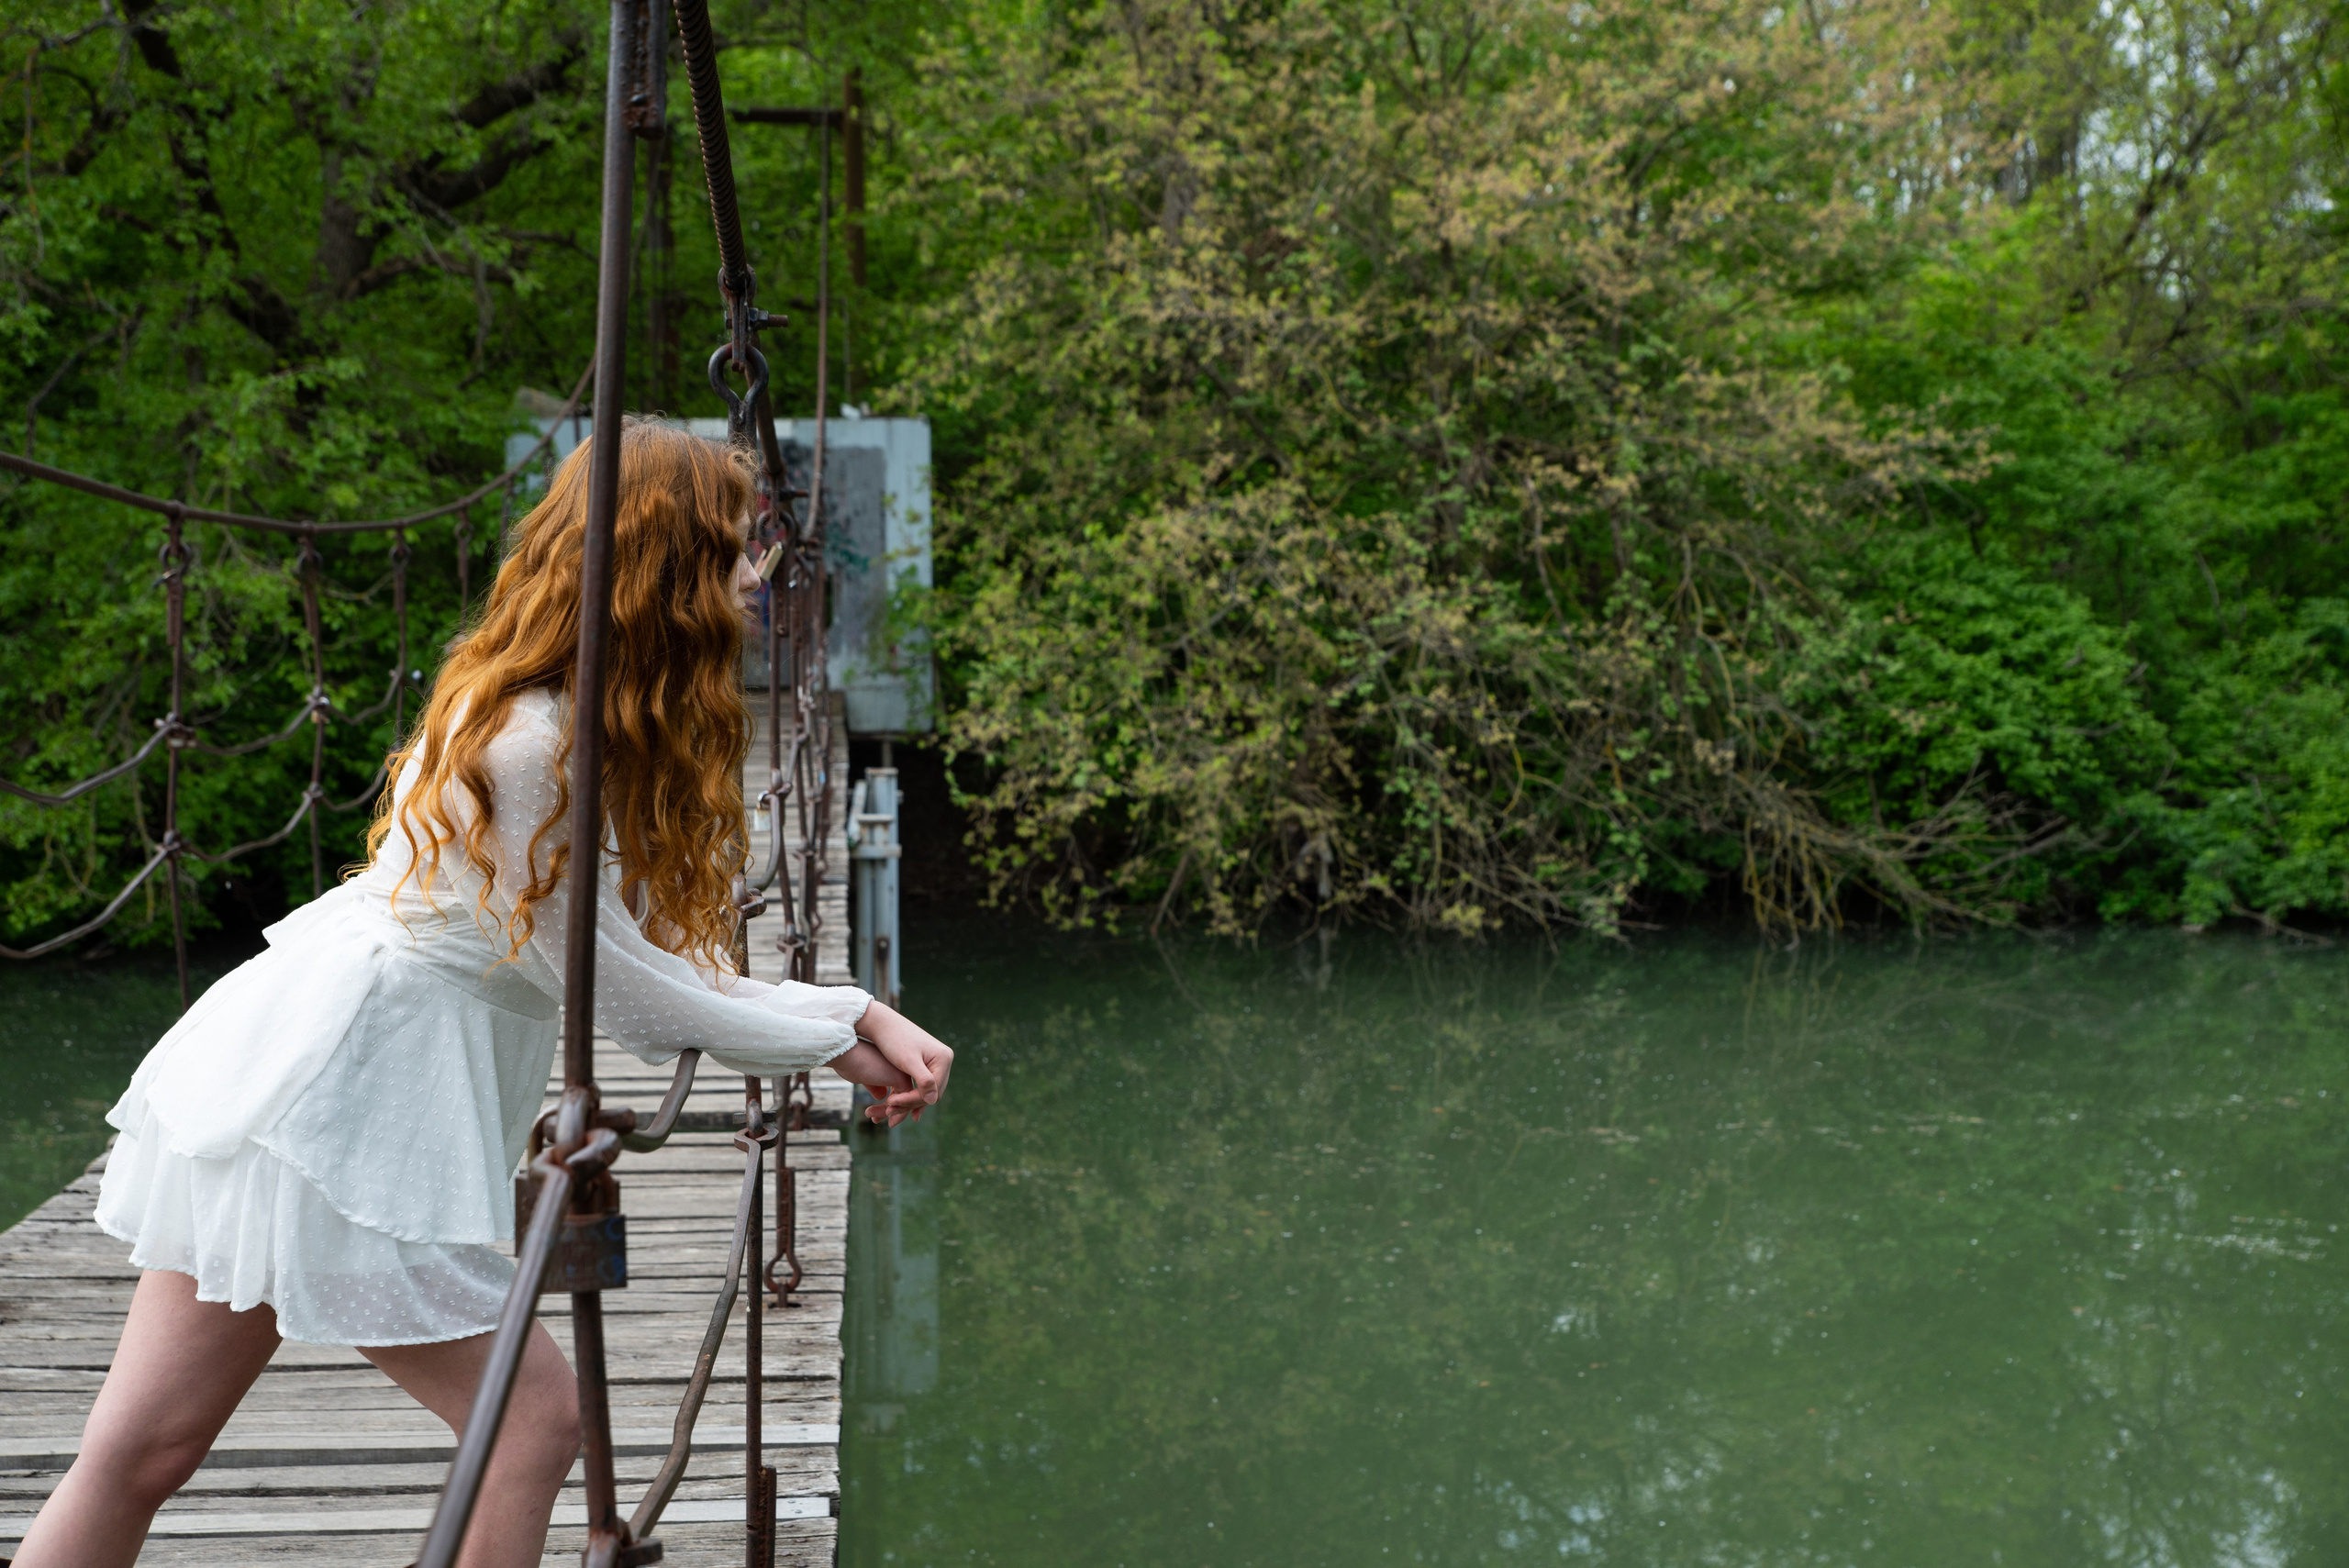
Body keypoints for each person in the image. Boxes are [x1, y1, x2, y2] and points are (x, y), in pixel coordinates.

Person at [12, 423, 952, 1568]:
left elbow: (637, 956)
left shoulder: (553, 710)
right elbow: (632, 998)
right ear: (660, 569)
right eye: (733, 553)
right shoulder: (533, 743)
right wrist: (844, 1017)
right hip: (352, 1095)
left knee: (141, 1450)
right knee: (529, 1422)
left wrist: (838, 1019)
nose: (756, 580)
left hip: (310, 1064)